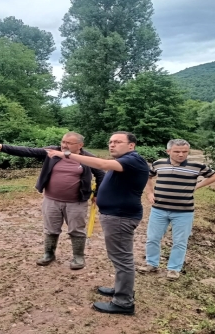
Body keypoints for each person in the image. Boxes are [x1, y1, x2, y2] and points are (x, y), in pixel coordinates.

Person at [46, 131, 148, 315]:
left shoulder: (133, 159)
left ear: (131, 145)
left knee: (122, 259)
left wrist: (65, 154)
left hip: (120, 217)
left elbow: (101, 164)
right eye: (110, 141)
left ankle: (123, 303)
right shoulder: (125, 161)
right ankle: (121, 290)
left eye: (117, 142)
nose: (112, 145)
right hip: (116, 215)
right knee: (119, 258)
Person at [0, 132, 104, 270]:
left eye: (69, 143)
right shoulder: (53, 152)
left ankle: (78, 256)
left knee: (77, 230)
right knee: (51, 229)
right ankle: (49, 254)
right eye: (63, 141)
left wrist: (98, 193)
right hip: (52, 200)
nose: (64, 145)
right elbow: (29, 151)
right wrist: (2, 147)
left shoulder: (87, 158)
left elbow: (101, 175)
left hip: (76, 202)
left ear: (80, 145)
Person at [138, 139, 215, 280]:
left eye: (184, 152)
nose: (181, 155)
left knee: (180, 242)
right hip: (159, 209)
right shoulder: (159, 163)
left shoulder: (197, 166)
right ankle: (151, 264)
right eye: (177, 151)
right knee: (153, 238)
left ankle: (174, 269)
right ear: (168, 151)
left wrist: (198, 185)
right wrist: (149, 193)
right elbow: (148, 176)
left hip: (184, 211)